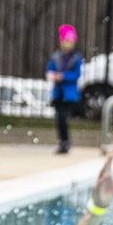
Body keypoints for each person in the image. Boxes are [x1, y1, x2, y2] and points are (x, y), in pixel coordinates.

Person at [47, 23, 85, 154]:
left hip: (69, 93)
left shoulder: (76, 58)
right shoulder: (56, 56)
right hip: (58, 93)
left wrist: (63, 76)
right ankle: (63, 141)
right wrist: (53, 75)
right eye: (65, 41)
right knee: (59, 119)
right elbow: (50, 69)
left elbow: (76, 75)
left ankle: (65, 142)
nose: (67, 44)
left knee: (63, 117)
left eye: (70, 41)